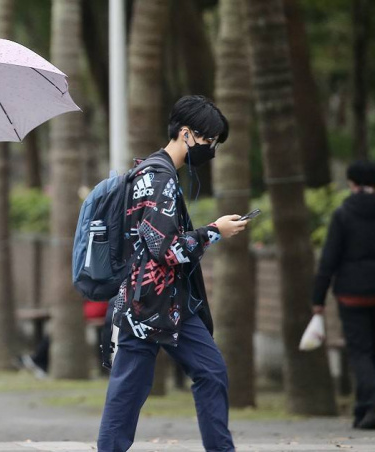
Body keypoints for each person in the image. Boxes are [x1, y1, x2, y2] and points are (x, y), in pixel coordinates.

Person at [98, 95, 248, 452]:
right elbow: (163, 248)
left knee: (210, 372)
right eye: (208, 140)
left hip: (171, 303)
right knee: (127, 396)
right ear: (186, 133)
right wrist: (215, 231)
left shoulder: (152, 171)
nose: (210, 149)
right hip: (147, 304)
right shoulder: (159, 177)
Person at [312, 160, 375, 430]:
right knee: (374, 351)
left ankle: (374, 405)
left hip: (352, 295)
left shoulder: (343, 214)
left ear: (352, 183)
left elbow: (328, 260)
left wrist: (318, 300)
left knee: (360, 352)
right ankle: (364, 411)